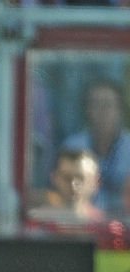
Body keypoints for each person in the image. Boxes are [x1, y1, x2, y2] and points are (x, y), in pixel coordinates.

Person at [61, 80, 130, 215]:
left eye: (108, 105)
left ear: (119, 109)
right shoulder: (72, 146)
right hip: (80, 223)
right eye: (96, 105)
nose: (102, 111)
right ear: (87, 110)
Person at [27, 149, 106, 227]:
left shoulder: (103, 225)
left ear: (96, 182)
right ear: (54, 178)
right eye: (67, 178)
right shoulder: (36, 224)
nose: (73, 184)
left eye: (80, 178)